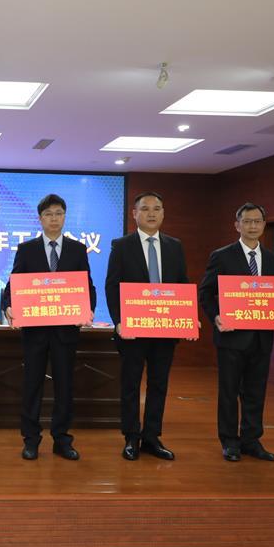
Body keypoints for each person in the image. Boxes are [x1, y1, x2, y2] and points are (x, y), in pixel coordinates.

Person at [2, 194, 95, 461]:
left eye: (58, 213)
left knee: (65, 387)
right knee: (32, 386)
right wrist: (8, 306)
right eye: (48, 214)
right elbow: (13, 285)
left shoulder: (77, 249)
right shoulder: (27, 249)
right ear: (40, 218)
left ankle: (62, 439)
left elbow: (87, 286)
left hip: (66, 331)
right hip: (35, 331)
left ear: (65, 217)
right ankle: (31, 440)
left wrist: (88, 308)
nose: (54, 219)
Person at [105, 191, 190, 461]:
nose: (151, 213)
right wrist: (119, 321)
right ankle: (131, 436)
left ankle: (152, 437)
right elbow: (112, 286)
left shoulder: (175, 246)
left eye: (156, 208)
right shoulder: (121, 245)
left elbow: (182, 284)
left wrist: (188, 317)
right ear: (134, 214)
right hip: (133, 330)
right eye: (145, 209)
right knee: (130, 384)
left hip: (165, 329)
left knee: (159, 384)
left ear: (163, 213)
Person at [198, 202, 274, 463]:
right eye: (247, 221)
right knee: (229, 392)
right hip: (231, 336)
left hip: (262, 337)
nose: (252, 226)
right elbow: (205, 292)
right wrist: (216, 316)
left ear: (264, 225)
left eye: (257, 221)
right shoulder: (222, 256)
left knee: (256, 392)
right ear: (237, 225)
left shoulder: (273, 259)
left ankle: (251, 440)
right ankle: (229, 441)